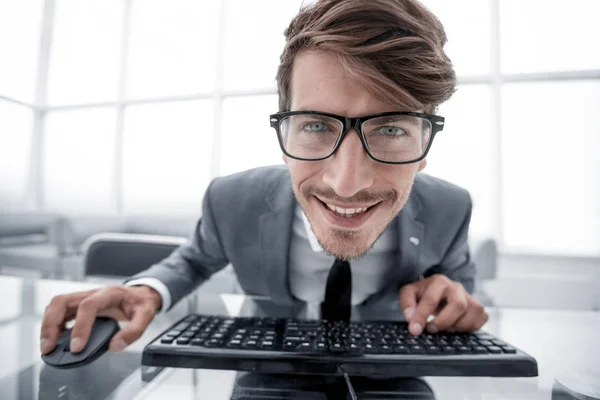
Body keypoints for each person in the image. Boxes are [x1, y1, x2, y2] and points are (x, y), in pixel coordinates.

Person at [40, 0, 488, 356]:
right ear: (284, 135)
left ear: (426, 143)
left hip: (391, 372)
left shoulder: (452, 208)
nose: (347, 183)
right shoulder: (230, 199)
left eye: (391, 129)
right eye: (316, 125)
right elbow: (194, 261)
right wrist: (147, 292)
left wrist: (455, 296)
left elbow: (459, 283)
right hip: (264, 368)